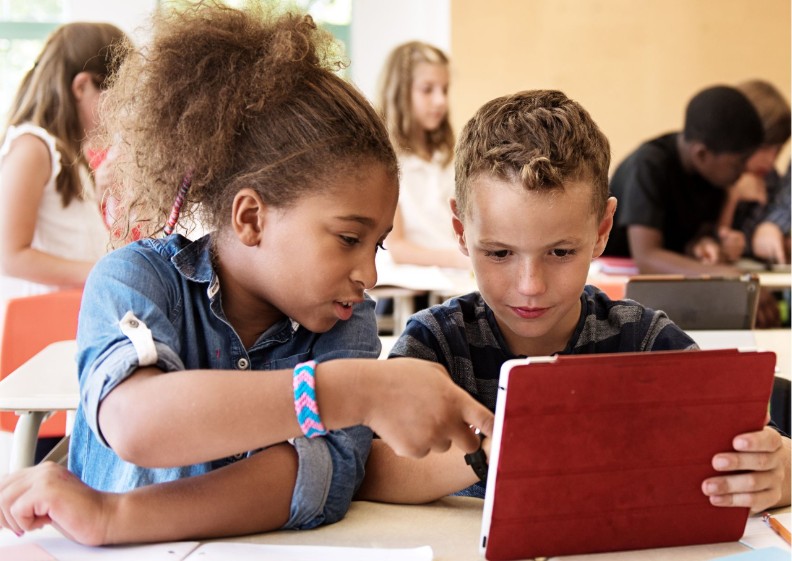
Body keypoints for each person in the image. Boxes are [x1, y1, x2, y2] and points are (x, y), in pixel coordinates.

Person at [0, 3, 492, 545]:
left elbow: (311, 480)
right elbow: (138, 423)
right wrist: (354, 390)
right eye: (349, 240)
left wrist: (117, 518)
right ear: (251, 217)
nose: (369, 274)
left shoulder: (344, 325)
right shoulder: (135, 280)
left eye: (376, 245)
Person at [355, 90, 791, 514]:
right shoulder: (435, 344)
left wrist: (780, 472)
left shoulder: (642, 340)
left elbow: (753, 444)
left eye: (560, 253)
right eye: (499, 253)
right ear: (461, 230)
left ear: (602, 230)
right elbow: (368, 468)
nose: (530, 286)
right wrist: (500, 447)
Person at [0, 22, 127, 331]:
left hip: (67, 316)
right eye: (117, 96)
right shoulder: (33, 147)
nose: (121, 111)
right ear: (81, 86)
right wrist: (105, 270)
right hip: (38, 323)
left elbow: (63, 229)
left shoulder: (70, 153)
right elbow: (9, 255)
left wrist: (97, 194)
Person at [604, 85, 763, 274]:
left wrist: (706, 246)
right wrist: (723, 275)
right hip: (617, 284)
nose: (745, 170)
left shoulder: (713, 176)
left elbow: (693, 241)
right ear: (702, 154)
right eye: (739, 162)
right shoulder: (649, 165)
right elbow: (647, 257)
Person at [376, 41, 469, 270]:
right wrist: (461, 260)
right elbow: (396, 247)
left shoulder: (445, 157)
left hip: (453, 282)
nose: (440, 101)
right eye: (427, 90)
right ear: (399, 92)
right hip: (412, 290)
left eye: (444, 90)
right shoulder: (384, 161)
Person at [718, 80, 791, 265]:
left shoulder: (769, 178)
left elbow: (756, 244)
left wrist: (773, 229)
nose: (770, 160)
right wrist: (732, 198)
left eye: (777, 150)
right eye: (764, 148)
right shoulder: (711, 172)